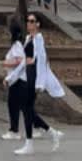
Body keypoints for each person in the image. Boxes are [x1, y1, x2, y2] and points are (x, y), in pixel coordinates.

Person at [16, 12, 64, 153]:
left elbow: (42, 61)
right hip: (27, 75)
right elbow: (26, 59)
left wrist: (40, 84)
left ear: (38, 24)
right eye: (27, 20)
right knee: (27, 109)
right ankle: (51, 132)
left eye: (32, 21)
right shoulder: (28, 38)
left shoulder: (38, 39)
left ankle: (31, 143)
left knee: (27, 109)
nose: (29, 23)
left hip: (34, 77)